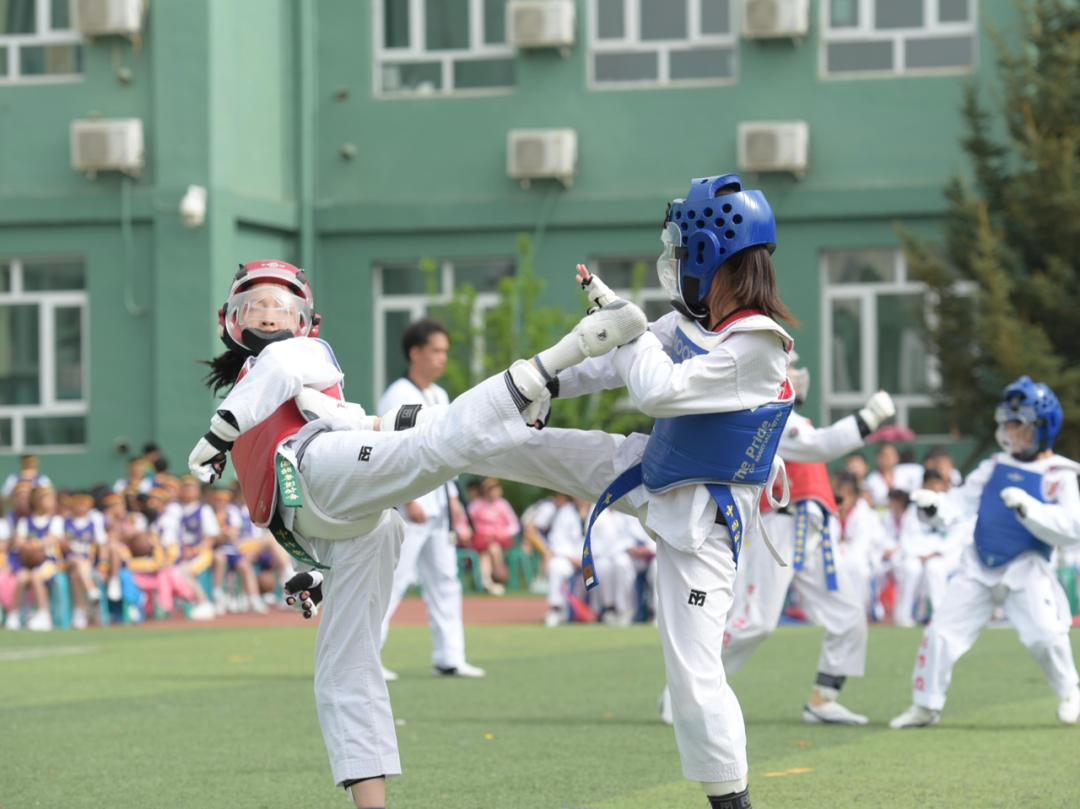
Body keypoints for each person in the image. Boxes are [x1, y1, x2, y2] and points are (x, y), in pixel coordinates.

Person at [186, 259, 647, 808]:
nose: (268, 316)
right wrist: (309, 566)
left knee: (448, 445)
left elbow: (281, 377)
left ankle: (575, 354)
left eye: (280, 307)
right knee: (343, 667)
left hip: (324, 469)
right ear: (229, 319)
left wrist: (217, 436)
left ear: (308, 321)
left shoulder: (303, 355)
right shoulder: (259, 386)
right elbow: (358, 426)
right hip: (336, 520)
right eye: (255, 306)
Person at [471, 174, 798, 809]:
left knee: (694, 676)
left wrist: (625, 327)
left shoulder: (759, 344)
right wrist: (545, 382)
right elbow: (611, 361)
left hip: (702, 526)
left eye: (683, 249)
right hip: (652, 471)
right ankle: (414, 432)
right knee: (521, 442)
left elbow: (653, 389)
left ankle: (733, 802)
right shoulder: (693, 324)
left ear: (710, 254)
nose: (676, 263)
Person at [701, 351, 895, 725]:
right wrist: (868, 418)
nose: (797, 372)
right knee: (755, 623)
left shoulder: (792, 419)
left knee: (849, 615)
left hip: (812, 531)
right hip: (782, 529)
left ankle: (823, 699)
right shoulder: (771, 416)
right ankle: (689, 689)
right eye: (789, 366)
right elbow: (822, 445)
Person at [890, 376, 1080, 729]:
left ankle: (1070, 691)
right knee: (941, 634)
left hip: (1026, 568)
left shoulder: (1060, 474)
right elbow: (959, 505)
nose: (1010, 432)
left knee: (1044, 636)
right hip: (978, 565)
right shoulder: (994, 466)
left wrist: (1029, 508)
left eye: (1018, 425)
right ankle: (926, 706)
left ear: (1042, 428)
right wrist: (934, 507)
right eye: (1007, 424)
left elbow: (1072, 527)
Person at [378, 318, 484, 680]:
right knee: (393, 581)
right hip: (410, 507)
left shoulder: (439, 396)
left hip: (439, 506)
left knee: (445, 580)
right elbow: (392, 452)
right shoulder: (397, 395)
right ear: (415, 352)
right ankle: (365, 658)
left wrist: (454, 500)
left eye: (445, 352)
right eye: (435, 351)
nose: (442, 358)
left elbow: (448, 453)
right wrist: (409, 501)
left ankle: (450, 657)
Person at [466, 478, 520, 595]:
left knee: (491, 550)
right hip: (480, 540)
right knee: (489, 549)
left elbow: (514, 526)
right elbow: (467, 523)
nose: (493, 492)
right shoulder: (476, 505)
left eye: (495, 489)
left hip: (500, 540)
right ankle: (495, 581)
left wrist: (503, 533)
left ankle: (489, 581)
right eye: (490, 489)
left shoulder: (503, 505)